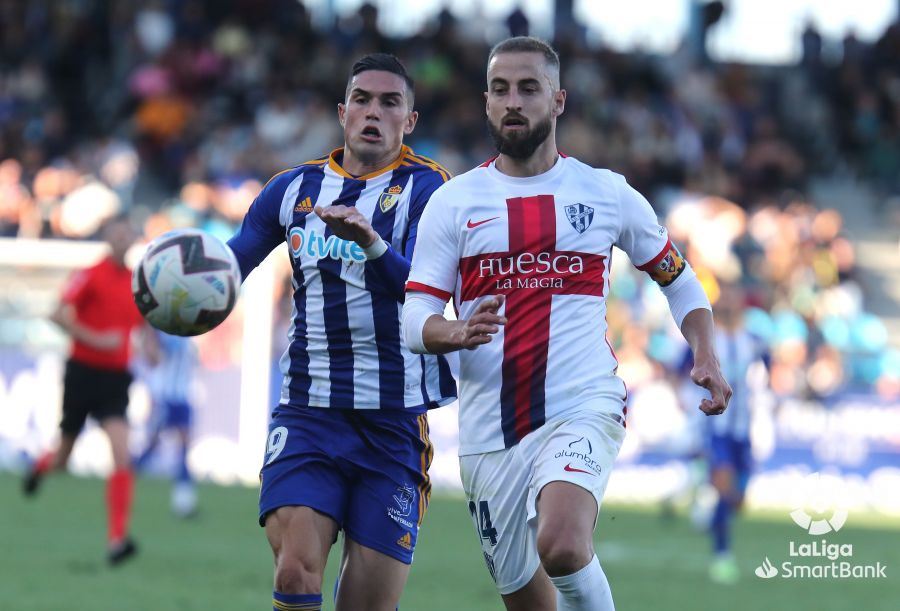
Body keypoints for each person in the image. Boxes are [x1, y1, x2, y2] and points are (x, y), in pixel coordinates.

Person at [401, 37, 732, 611]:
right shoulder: (454, 203)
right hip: (489, 432)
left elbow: (678, 279)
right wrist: (452, 332)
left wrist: (704, 351)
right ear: (485, 102)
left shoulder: (605, 193)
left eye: (529, 88)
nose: (513, 101)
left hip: (582, 403)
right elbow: (414, 319)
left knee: (561, 543)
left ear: (557, 101)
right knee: (529, 601)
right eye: (501, 89)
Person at [226, 53, 456, 611]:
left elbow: (431, 293)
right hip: (311, 413)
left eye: (389, 102)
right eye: (362, 99)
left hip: (392, 424)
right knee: (297, 569)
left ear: (410, 121)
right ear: (341, 112)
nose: (373, 112)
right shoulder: (292, 190)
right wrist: (186, 290)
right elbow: (231, 266)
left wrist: (372, 245)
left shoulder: (432, 193)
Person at [23, 214, 145, 565]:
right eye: (116, 234)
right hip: (82, 373)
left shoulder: (137, 282)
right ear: (108, 238)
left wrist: (149, 344)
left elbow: (139, 322)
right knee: (64, 458)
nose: (122, 240)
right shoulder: (91, 274)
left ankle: (117, 540)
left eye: (127, 234)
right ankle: (41, 467)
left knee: (122, 454)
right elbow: (57, 314)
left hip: (115, 379)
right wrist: (96, 339)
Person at [699, 282, 769, 584]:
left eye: (733, 296)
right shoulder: (707, 341)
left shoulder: (754, 340)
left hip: (744, 429)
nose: (728, 302)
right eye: (723, 297)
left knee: (738, 499)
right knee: (726, 489)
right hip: (717, 428)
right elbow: (680, 370)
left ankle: (704, 508)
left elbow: (768, 373)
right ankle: (722, 557)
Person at [135, 329, 199, 519]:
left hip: (182, 395)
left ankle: (183, 497)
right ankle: (128, 476)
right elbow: (151, 358)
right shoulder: (161, 328)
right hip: (165, 394)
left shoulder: (190, 328)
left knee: (184, 445)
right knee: (154, 443)